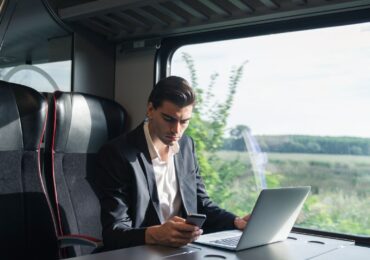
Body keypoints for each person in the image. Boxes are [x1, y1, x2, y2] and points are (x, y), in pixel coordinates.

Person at [96, 76, 249, 250]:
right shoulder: (118, 154)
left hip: (181, 250)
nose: (177, 130)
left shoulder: (186, 146)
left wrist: (236, 221)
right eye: (169, 119)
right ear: (150, 109)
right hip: (141, 251)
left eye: (184, 122)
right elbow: (114, 232)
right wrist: (156, 234)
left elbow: (202, 204)